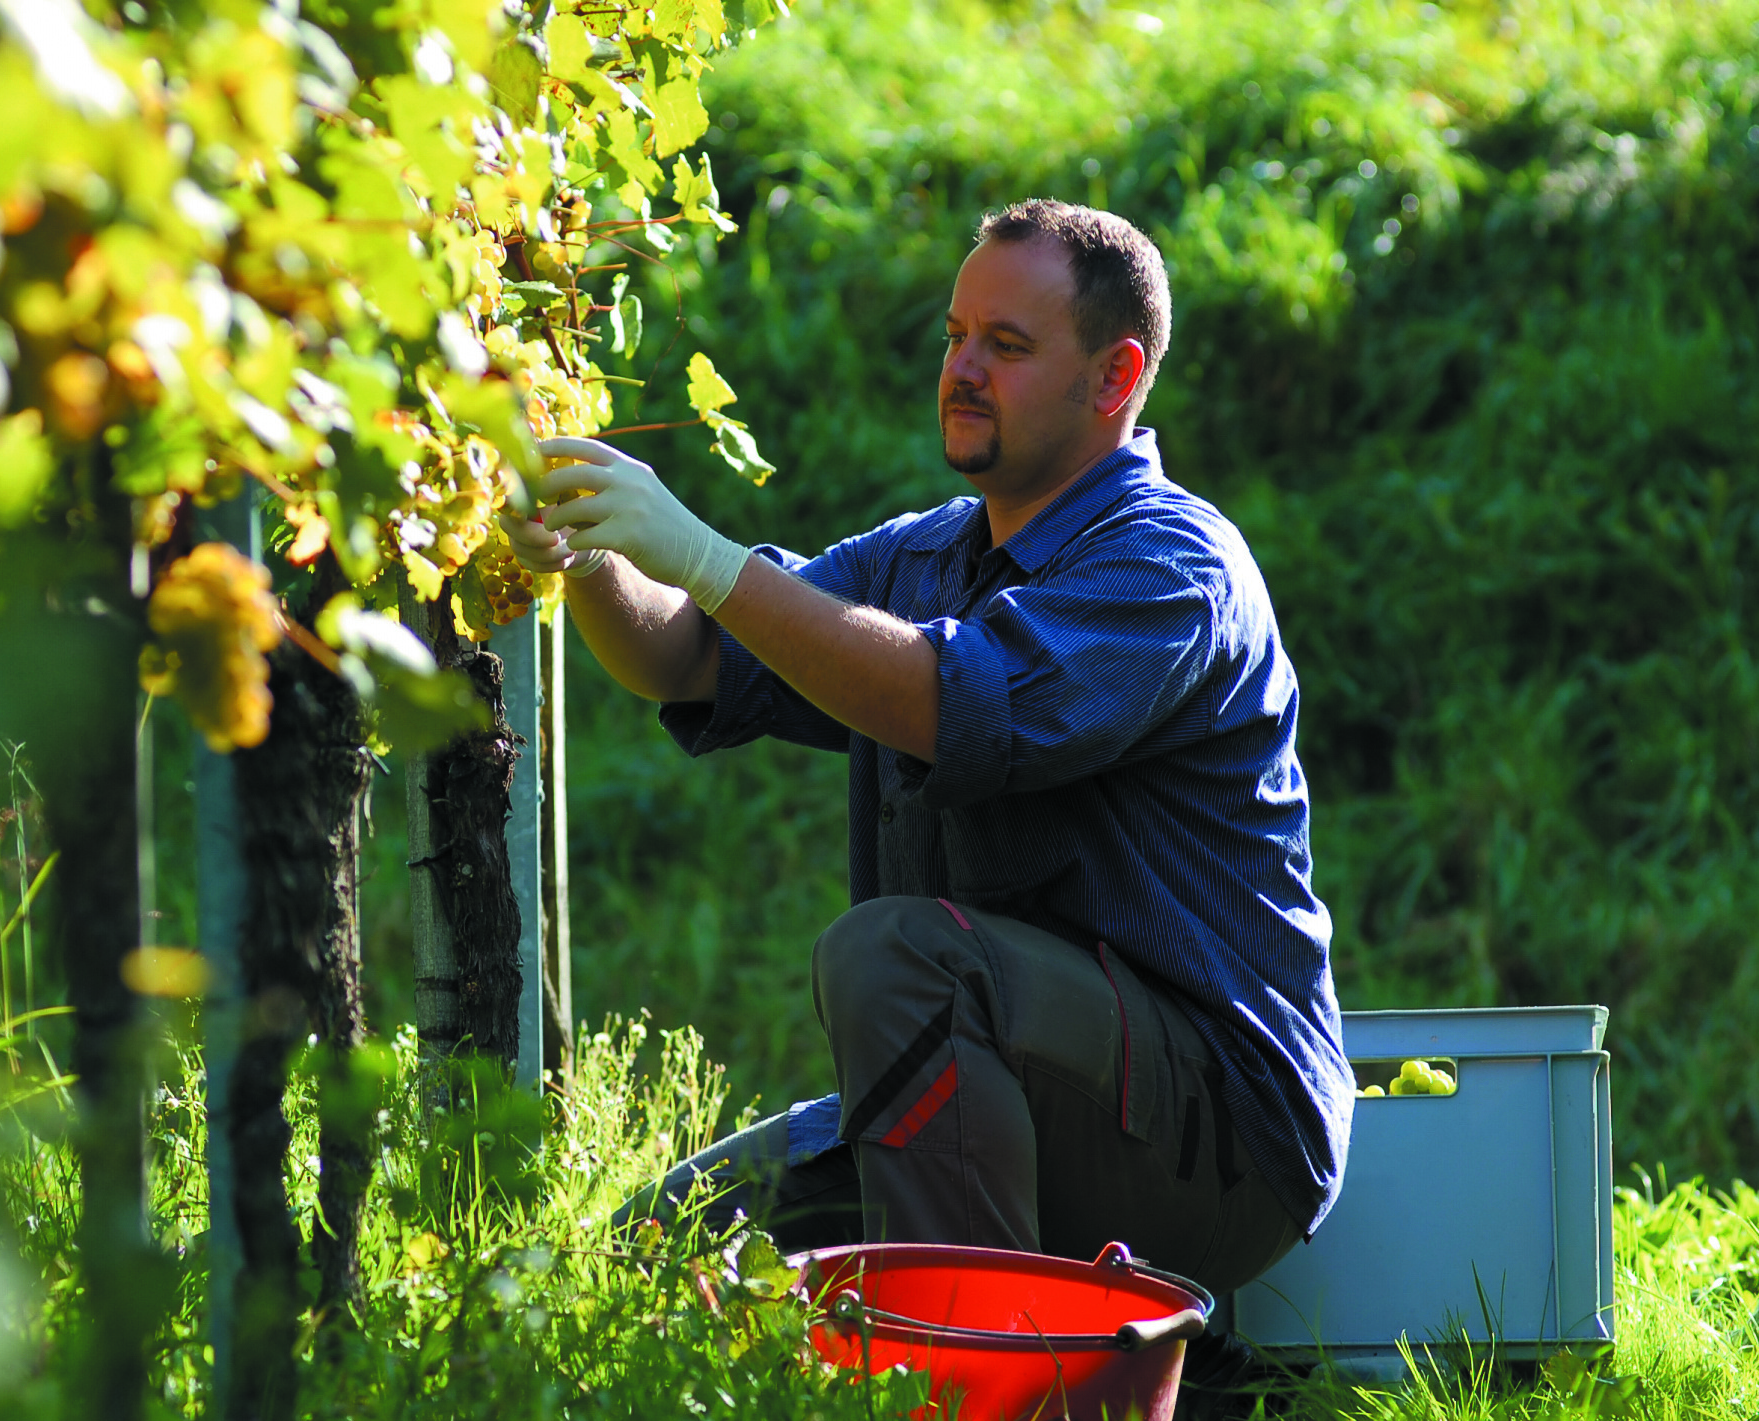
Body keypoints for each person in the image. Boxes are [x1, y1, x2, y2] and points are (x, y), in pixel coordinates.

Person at [503, 198, 1354, 1295]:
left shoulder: (1174, 564)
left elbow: (958, 705)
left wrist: (708, 556)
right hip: (1010, 1069)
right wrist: (588, 543)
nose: (962, 368)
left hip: (1223, 1138)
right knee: (651, 1259)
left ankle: (991, 1419)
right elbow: (689, 659)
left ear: (1114, 377)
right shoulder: (928, 555)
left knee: (896, 952)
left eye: (1006, 345)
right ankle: (952, 1373)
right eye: (955, 335)